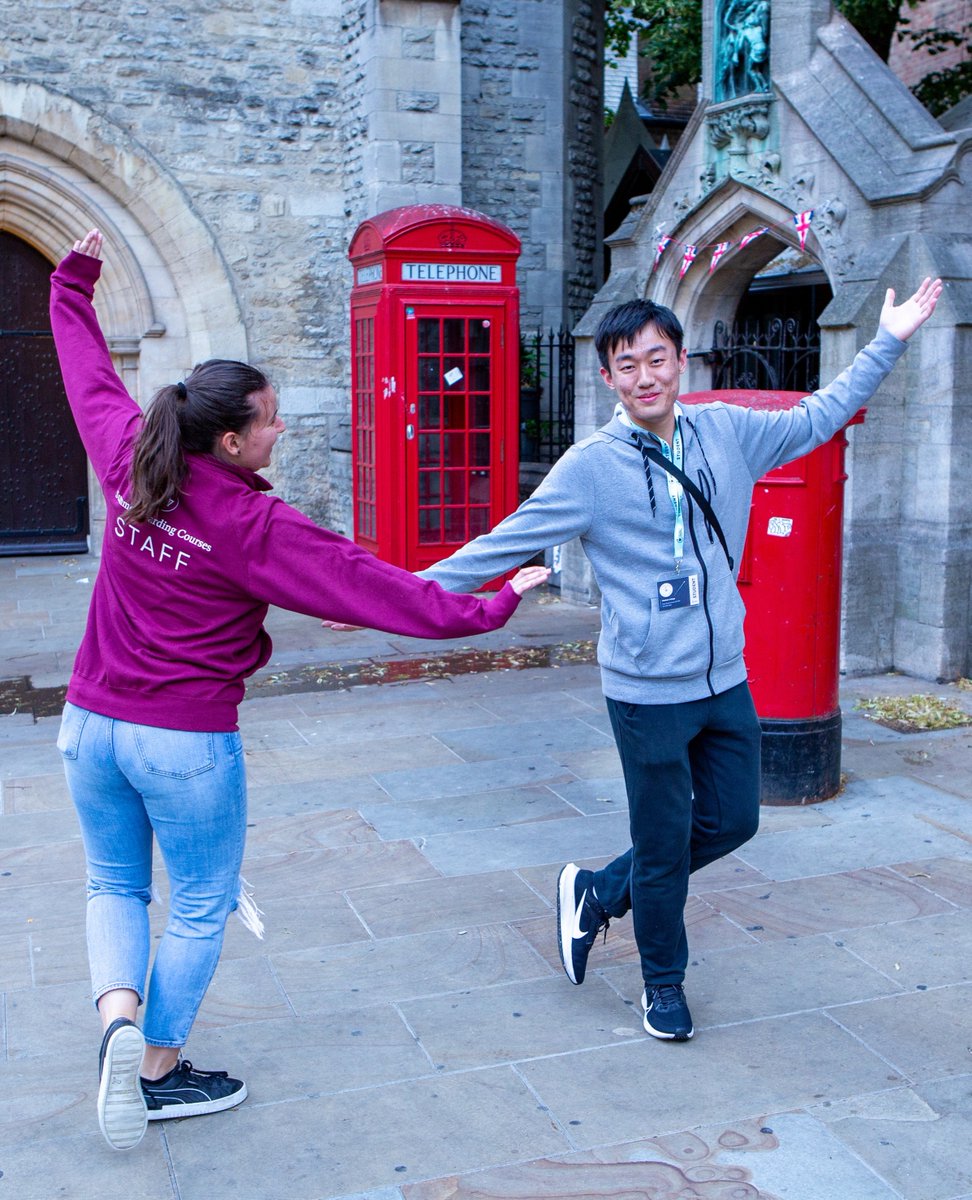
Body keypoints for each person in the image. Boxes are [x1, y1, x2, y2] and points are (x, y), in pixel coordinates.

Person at [51, 230, 550, 1152]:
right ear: (233, 439)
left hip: (88, 728)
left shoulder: (131, 457)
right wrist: (490, 607)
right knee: (199, 902)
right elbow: (376, 587)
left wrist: (74, 282)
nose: (284, 429)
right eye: (272, 420)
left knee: (113, 884)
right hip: (183, 742)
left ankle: (118, 1022)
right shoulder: (249, 520)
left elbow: (86, 372)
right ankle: (156, 1073)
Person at [418, 277, 942, 1042]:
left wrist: (888, 338)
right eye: (626, 365)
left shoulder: (728, 431)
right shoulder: (589, 468)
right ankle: (662, 985)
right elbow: (496, 545)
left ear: (682, 360)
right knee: (664, 846)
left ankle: (597, 892)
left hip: (726, 676)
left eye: (656, 359)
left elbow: (823, 414)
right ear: (607, 378)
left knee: (733, 820)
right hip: (645, 691)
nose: (645, 376)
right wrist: (382, 595)